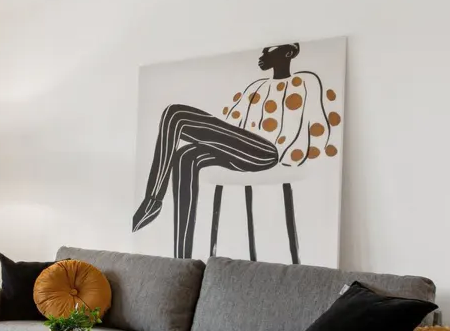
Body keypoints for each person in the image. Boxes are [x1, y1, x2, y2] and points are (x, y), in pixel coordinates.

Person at [132, 43, 341, 258]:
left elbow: (318, 125)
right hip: (242, 150)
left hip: (269, 153)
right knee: (185, 156)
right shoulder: (257, 87)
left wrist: (291, 156)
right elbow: (233, 125)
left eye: (270, 50)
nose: (263, 53)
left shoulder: (306, 81)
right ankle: (181, 259)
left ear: (288, 52)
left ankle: (153, 201)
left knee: (175, 115)